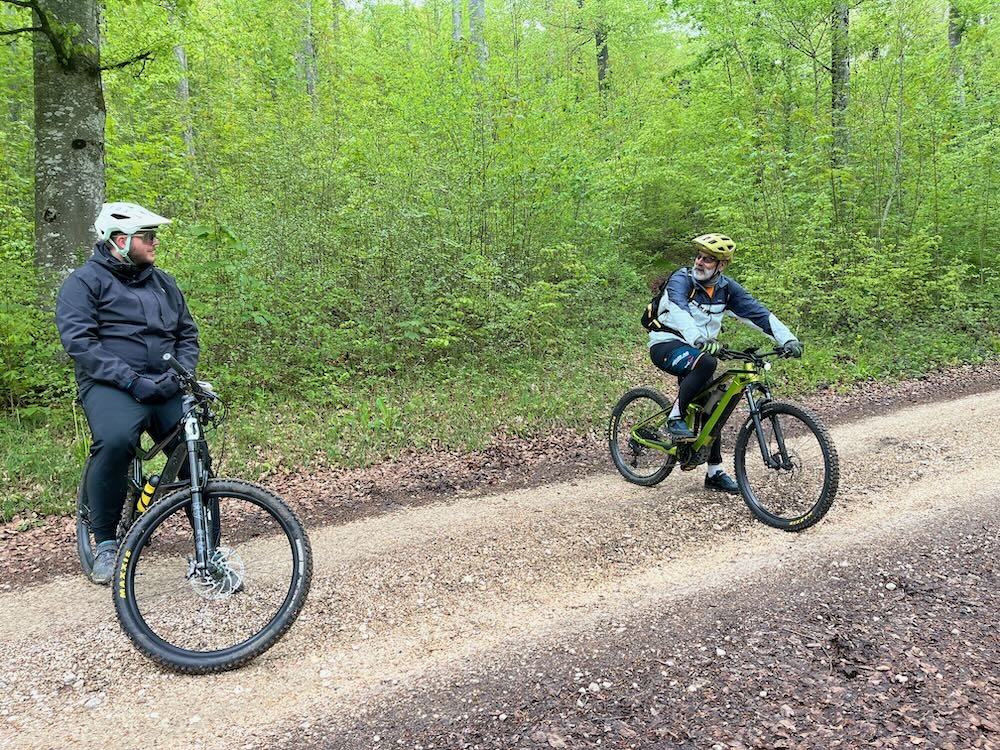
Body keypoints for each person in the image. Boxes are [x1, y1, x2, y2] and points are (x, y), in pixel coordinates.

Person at [56, 202, 200, 584]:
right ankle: (105, 542)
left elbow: (187, 335)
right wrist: (132, 380)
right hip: (111, 384)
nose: (154, 243)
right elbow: (80, 343)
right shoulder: (83, 282)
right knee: (116, 441)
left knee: (194, 448)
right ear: (120, 241)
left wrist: (180, 375)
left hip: (164, 382)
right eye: (147, 236)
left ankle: (208, 546)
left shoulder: (164, 283)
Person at [647, 233, 803, 495]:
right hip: (666, 343)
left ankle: (714, 472)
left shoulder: (727, 289)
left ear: (722, 265)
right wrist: (698, 338)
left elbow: (759, 314)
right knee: (707, 363)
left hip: (698, 350)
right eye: (699, 256)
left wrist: (788, 339)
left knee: (714, 405)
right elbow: (679, 309)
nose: (700, 262)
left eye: (708, 259)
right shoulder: (681, 280)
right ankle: (675, 418)